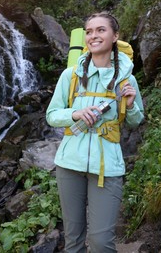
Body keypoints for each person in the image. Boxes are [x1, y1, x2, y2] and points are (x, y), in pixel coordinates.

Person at [46, 13, 144, 253]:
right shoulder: (70, 76)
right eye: (89, 31)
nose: (93, 36)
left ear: (115, 36)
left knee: (101, 243)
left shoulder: (126, 79)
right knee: (73, 240)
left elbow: (136, 120)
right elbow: (52, 115)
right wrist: (75, 114)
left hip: (107, 166)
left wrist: (130, 105)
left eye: (100, 30)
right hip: (69, 164)